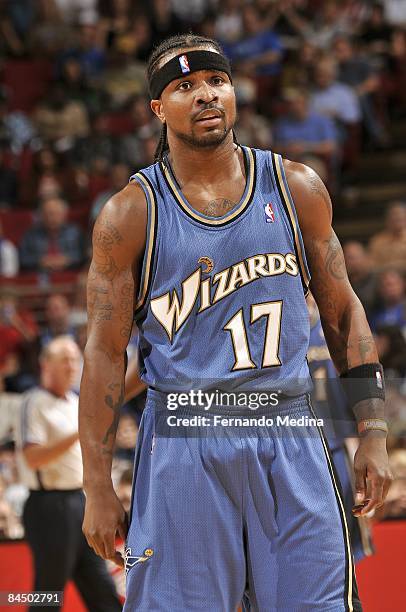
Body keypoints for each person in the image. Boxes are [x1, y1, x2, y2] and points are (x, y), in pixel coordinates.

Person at [79, 34, 392, 611]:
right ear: (157, 108)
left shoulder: (296, 187)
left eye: (215, 81)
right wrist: (97, 485)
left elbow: (344, 313)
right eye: (184, 87)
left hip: (289, 431)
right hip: (183, 443)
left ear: (234, 91)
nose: (205, 95)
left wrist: (373, 432)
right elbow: (102, 355)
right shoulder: (130, 214)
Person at [15, 336, 121, 612]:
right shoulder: (33, 401)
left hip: (82, 501)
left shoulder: (78, 401)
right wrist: (79, 432)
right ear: (45, 364)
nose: (72, 366)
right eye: (65, 359)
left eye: (75, 359)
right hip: (48, 505)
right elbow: (33, 457)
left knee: (102, 589)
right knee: (48, 592)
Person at [19, 196, 86, 272]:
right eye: (47, 214)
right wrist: (40, 261)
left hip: (70, 275)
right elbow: (23, 259)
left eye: (56, 213)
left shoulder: (75, 232)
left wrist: (67, 260)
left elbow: (83, 256)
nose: (51, 218)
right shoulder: (31, 234)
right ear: (41, 215)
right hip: (40, 278)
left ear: (64, 214)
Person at [368, 201, 406, 272]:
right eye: (393, 215)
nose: (396, 217)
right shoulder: (377, 240)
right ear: (387, 220)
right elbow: (371, 265)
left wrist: (395, 266)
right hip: (383, 278)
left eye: (399, 216)